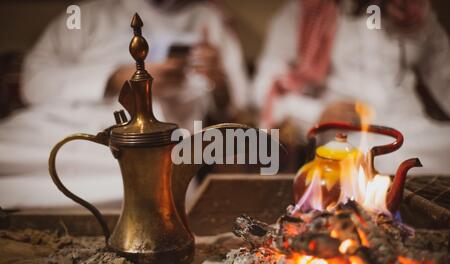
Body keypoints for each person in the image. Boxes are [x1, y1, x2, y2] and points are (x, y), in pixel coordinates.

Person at [0, 0, 249, 208]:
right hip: (55, 128)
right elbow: (33, 82)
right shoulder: (87, 14)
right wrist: (113, 78)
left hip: (154, 140)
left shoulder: (208, 20)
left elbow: (237, 108)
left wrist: (219, 80)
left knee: (156, 176)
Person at [253, 0, 450, 174]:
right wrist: (318, 114)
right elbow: (263, 89)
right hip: (347, 135)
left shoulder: (412, 11)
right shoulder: (302, 11)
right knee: (363, 163)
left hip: (417, 132)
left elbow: (445, 76)